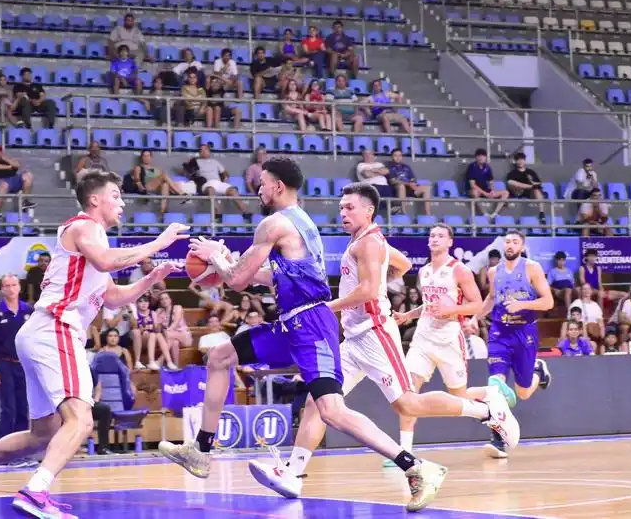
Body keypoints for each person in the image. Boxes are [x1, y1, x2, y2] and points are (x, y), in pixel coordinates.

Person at [158, 163, 517, 512]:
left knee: (371, 406)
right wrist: (228, 264)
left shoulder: (291, 227)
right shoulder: (311, 227)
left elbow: (238, 281)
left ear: (278, 186)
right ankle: (213, 453)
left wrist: (219, 260)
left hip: (333, 327)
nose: (259, 188)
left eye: (263, 183)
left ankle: (425, 458)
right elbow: (278, 276)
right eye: (341, 205)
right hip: (306, 324)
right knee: (223, 357)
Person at [0, 170, 188, 519]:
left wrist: (151, 278)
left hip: (40, 334)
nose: (123, 202)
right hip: (57, 330)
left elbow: (112, 298)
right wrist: (159, 243)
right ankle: (36, 491)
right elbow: (106, 260)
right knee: (81, 420)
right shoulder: (86, 227)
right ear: (95, 199)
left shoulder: (92, 245)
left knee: (44, 433)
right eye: (116, 195)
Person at [388, 223, 507, 467]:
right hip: (423, 338)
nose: (434, 239)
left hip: (449, 338)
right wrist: (407, 316)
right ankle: (404, 452)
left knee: (459, 397)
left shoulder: (460, 270)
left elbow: (477, 304)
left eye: (440, 236)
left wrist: (451, 310)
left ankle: (490, 394)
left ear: (450, 242)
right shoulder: (424, 271)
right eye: (432, 235)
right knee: (408, 393)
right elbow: (429, 306)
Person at [472, 230, 554, 459]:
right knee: (494, 385)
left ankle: (539, 370)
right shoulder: (493, 271)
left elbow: (548, 302)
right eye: (507, 242)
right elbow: (490, 298)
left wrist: (523, 305)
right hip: (499, 332)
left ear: (522, 246)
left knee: (524, 392)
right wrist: (474, 318)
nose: (510, 245)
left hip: (524, 333)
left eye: (514, 242)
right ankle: (497, 439)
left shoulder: (532, 268)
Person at [0, 274, 34, 442]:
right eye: (7, 285)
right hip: (3, 364)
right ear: (2, 289)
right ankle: (3, 451)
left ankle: (21, 451)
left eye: (14, 285)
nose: (11, 289)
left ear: (19, 287)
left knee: (23, 409)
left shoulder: (29, 310)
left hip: (24, 366)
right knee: (9, 409)